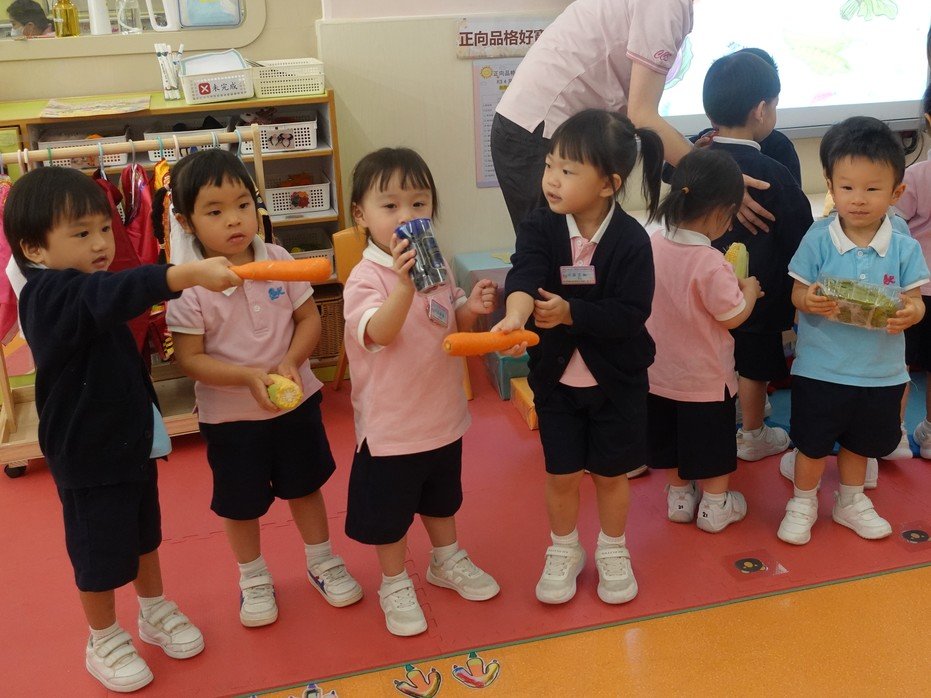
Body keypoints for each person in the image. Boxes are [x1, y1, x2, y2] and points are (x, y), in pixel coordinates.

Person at [1, 167, 243, 692]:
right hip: (86, 454)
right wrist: (184, 274)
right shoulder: (48, 295)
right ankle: (103, 637)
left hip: (130, 439)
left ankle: (153, 610)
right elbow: (114, 293)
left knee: (143, 535)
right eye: (81, 234)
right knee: (99, 551)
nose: (101, 244)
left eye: (104, 229)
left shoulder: (91, 286)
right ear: (34, 248)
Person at [166, 150, 362, 629]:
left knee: (306, 486)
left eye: (243, 205)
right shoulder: (189, 287)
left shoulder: (277, 259)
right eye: (215, 211)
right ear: (186, 222)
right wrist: (246, 378)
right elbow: (190, 358)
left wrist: (291, 361)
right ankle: (253, 577)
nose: (235, 220)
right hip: (230, 419)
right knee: (240, 504)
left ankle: (321, 560)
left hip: (296, 403)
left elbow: (309, 319)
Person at [493, 109, 662, 605]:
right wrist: (515, 315)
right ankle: (564, 548)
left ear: (608, 184)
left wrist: (572, 314)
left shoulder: (631, 241)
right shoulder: (539, 225)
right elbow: (524, 273)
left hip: (617, 383)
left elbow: (631, 314)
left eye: (568, 171)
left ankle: (612, 548)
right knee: (561, 473)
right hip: (557, 383)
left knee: (611, 476)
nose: (551, 179)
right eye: (550, 165)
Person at [343, 147, 500, 637]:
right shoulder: (365, 277)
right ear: (361, 215)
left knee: (442, 498)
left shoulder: (436, 262)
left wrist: (472, 307)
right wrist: (404, 287)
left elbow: (451, 318)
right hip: (391, 428)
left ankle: (445, 559)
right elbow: (379, 332)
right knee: (388, 516)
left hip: (441, 414)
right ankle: (393, 582)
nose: (406, 215)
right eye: (390, 205)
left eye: (418, 203)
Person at [490, 0, 774, 235]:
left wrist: (692, 155)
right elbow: (643, 116)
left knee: (580, 256)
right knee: (556, 258)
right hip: (538, 131)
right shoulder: (665, 5)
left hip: (549, 131)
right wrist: (721, 180)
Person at [777, 117, 928, 546]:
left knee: (859, 445)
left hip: (879, 372)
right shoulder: (819, 238)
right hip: (820, 368)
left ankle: (850, 500)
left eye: (872, 189)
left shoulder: (904, 246)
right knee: (811, 445)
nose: (858, 199)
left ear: (896, 193)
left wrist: (910, 313)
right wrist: (809, 301)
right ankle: (802, 501)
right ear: (830, 186)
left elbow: (916, 301)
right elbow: (797, 291)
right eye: (846, 187)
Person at [700, 51, 813, 462]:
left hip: (703, 290)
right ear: (762, 110)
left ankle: (709, 429)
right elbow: (800, 233)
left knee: (710, 354)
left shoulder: (695, 165)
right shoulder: (773, 172)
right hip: (758, 294)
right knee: (754, 364)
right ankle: (751, 434)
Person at [647, 149, 761, 532]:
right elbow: (732, 316)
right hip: (705, 382)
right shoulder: (710, 262)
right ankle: (715, 506)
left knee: (671, 442)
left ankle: (680, 499)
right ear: (721, 213)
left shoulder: (653, 243)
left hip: (659, 376)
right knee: (711, 446)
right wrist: (748, 290)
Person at [662, 48, 802, 186]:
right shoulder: (707, 139)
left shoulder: (779, 145)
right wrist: (692, 154)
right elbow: (667, 173)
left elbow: (793, 191)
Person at [899, 83, 931, 458]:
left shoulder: (917, 175)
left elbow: (893, 225)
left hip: (913, 289)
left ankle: (893, 431)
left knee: (898, 363)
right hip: (915, 288)